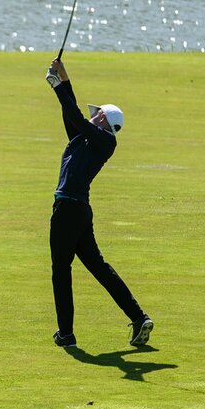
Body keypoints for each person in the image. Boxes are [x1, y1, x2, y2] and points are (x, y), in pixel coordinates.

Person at [45, 59, 153, 348]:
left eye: (97, 115)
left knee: (61, 270)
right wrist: (62, 78)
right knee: (99, 268)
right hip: (79, 212)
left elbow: (78, 118)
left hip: (68, 209)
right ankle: (139, 318)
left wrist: (58, 89)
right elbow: (73, 117)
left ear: (103, 120)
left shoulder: (106, 142)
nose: (93, 117)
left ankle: (66, 334)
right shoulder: (84, 141)